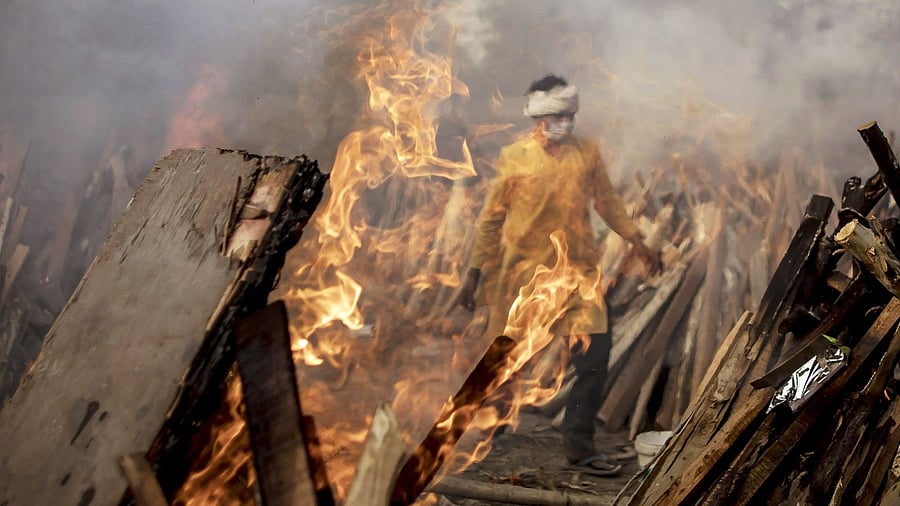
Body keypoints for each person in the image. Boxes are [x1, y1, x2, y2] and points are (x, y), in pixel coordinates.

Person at [455, 74, 660, 476]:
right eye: (559, 115)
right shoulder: (515, 157)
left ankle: (580, 447)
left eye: (571, 115)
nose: (567, 122)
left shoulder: (587, 153)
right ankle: (491, 428)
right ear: (540, 118)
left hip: (578, 274)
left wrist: (637, 240)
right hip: (523, 276)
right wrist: (474, 271)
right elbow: (492, 219)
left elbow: (607, 202)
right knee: (506, 358)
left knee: (594, 358)